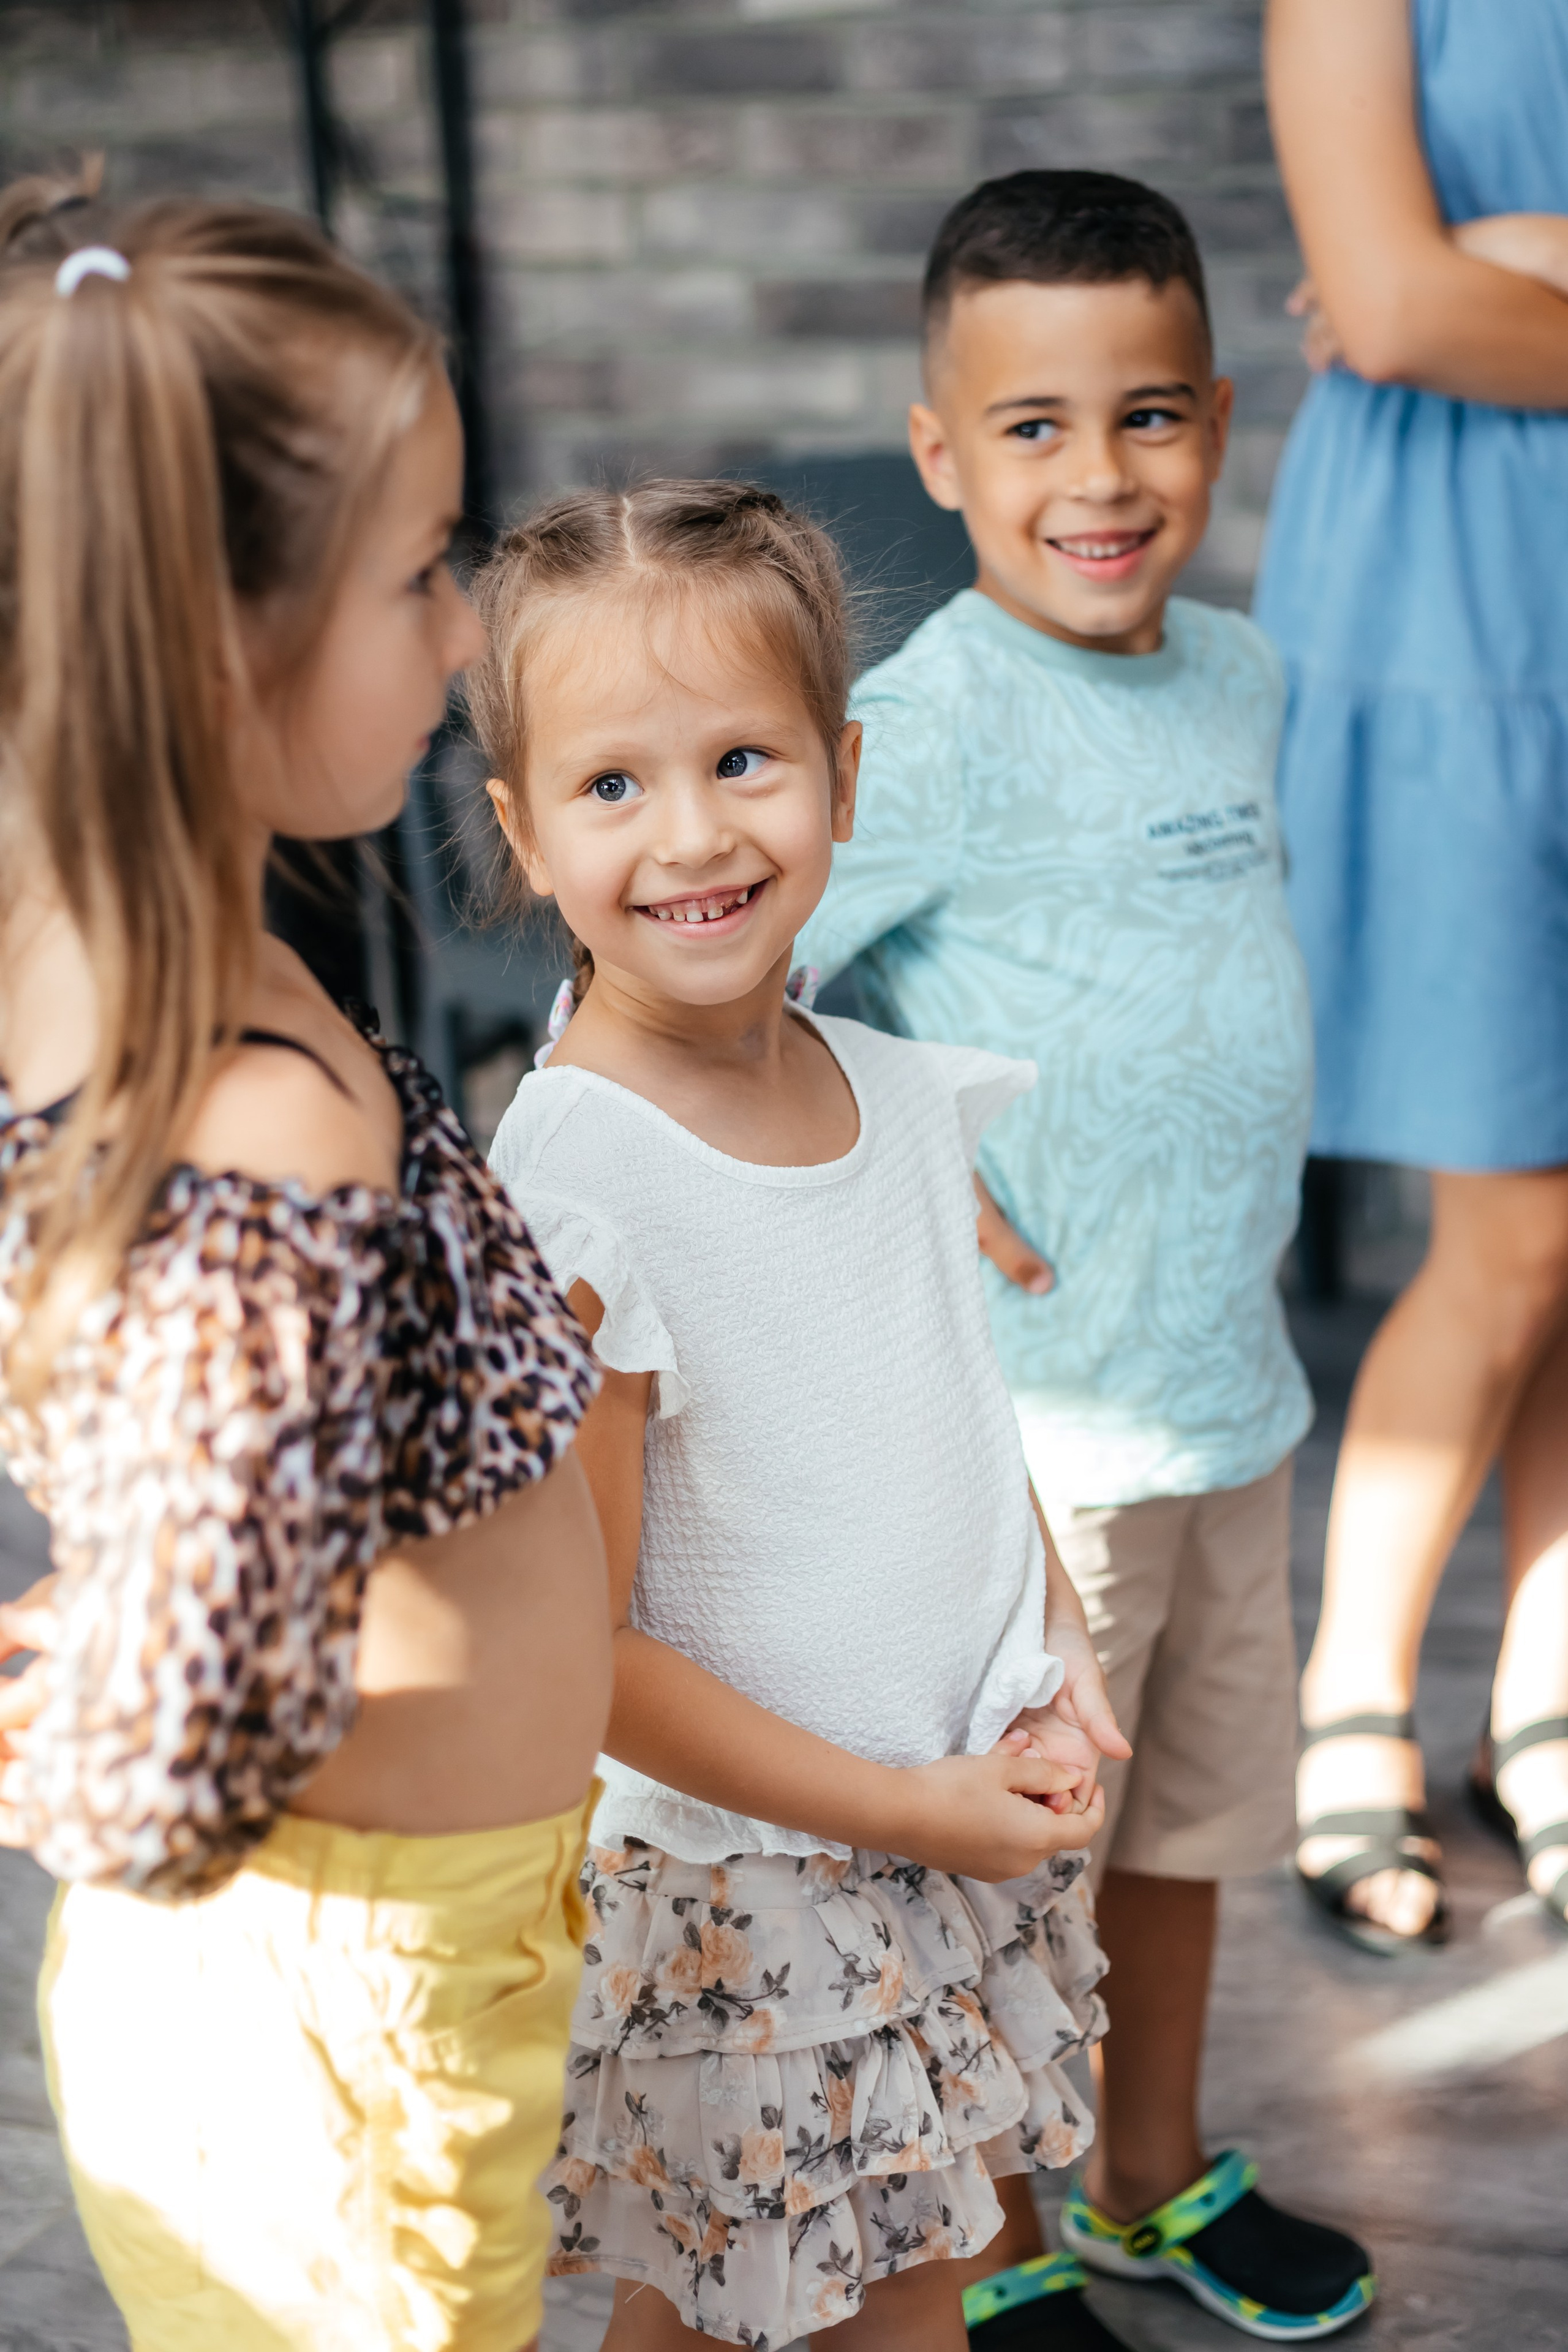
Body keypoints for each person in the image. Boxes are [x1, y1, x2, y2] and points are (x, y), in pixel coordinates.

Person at [0, 175, 611, 2352]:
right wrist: (108, 1680)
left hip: (363, 1972)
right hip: (337, 2029)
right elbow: (176, 1759)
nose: (461, 634)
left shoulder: (121, 958)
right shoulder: (246, 1108)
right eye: (419, 572)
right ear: (206, 645)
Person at [795, 170, 1375, 2342]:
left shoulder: (1239, 676)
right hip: (1039, 1445)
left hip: (1227, 1388)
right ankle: (998, 2240)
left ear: (1218, 419)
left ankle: (1143, 2180)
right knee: (1025, 1860)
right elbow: (737, 970)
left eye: (1148, 414)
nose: (1101, 477)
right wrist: (903, 1151)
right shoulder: (931, 720)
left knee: (1190, 1827)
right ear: (941, 454)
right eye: (1033, 427)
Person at [473, 478, 1126, 2352]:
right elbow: (584, 1652)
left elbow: (950, 1404)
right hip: (749, 1884)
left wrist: (1057, 1645)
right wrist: (903, 1806)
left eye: (744, 760)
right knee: (812, 2311)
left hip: (933, 1819)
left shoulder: (895, 1093)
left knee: (841, 2291)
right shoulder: (582, 1185)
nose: (692, 834)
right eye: (613, 785)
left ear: (843, 773)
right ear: (524, 831)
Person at [1258, 0, 1568, 1950]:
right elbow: (1387, 307)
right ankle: (1353, 1692)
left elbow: (1436, 298)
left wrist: (1525, 271)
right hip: (1458, 593)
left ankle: (1543, 1695)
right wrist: (1457, 285)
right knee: (1511, 1230)